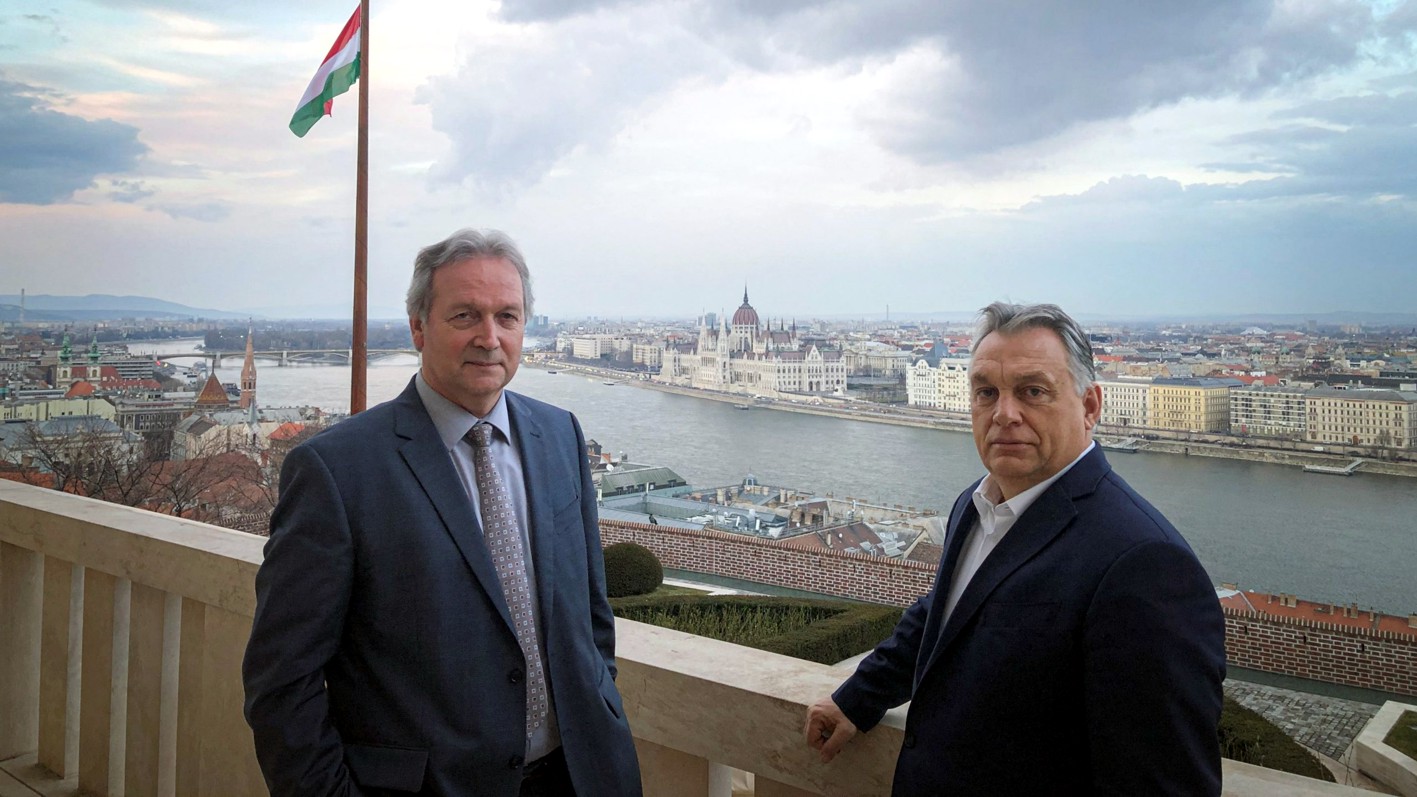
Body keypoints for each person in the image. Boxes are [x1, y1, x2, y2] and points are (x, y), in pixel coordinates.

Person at [243, 229, 641, 797]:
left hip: (582, 775)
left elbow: (590, 614)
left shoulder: (560, 434)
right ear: (418, 327)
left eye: (507, 316)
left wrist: (600, 705)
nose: (489, 338)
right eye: (465, 316)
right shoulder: (338, 470)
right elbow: (282, 682)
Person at [804, 302, 1225, 796]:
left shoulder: (1145, 562)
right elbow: (946, 617)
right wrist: (859, 698)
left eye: (1033, 391)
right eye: (987, 392)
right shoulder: (975, 503)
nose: (1004, 414)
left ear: (1090, 407)